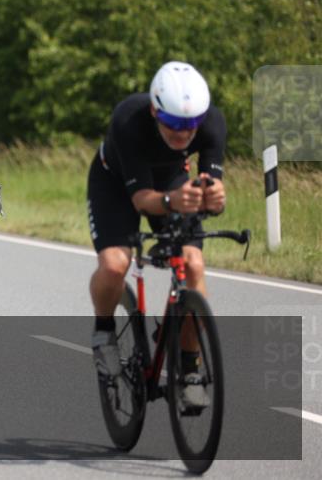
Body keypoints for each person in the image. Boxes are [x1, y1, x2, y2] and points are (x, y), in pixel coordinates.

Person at [87, 61, 226, 409]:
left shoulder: (211, 124)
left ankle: (191, 369)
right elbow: (141, 200)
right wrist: (171, 201)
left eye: (190, 126)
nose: (183, 134)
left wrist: (215, 198)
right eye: (174, 124)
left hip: (170, 179)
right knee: (115, 265)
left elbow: (211, 191)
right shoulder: (129, 120)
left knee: (193, 265)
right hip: (117, 184)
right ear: (154, 110)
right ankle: (104, 332)